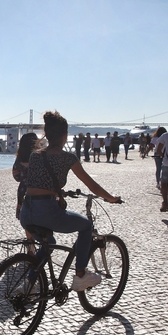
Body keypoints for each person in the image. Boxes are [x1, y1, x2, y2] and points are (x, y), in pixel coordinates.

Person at [19, 111, 121, 292]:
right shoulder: (68, 157)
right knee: (86, 226)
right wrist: (111, 198)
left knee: (48, 243)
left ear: (48, 135)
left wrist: (59, 193)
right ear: (65, 136)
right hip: (46, 211)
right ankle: (81, 275)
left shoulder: (36, 155)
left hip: (27, 211)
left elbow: (38, 183)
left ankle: (30, 283)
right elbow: (91, 184)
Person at [12, 132, 38, 222]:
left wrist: (23, 178)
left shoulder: (19, 159)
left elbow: (16, 176)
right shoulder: (41, 157)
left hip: (23, 190)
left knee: (26, 217)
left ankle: (29, 236)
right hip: (39, 189)